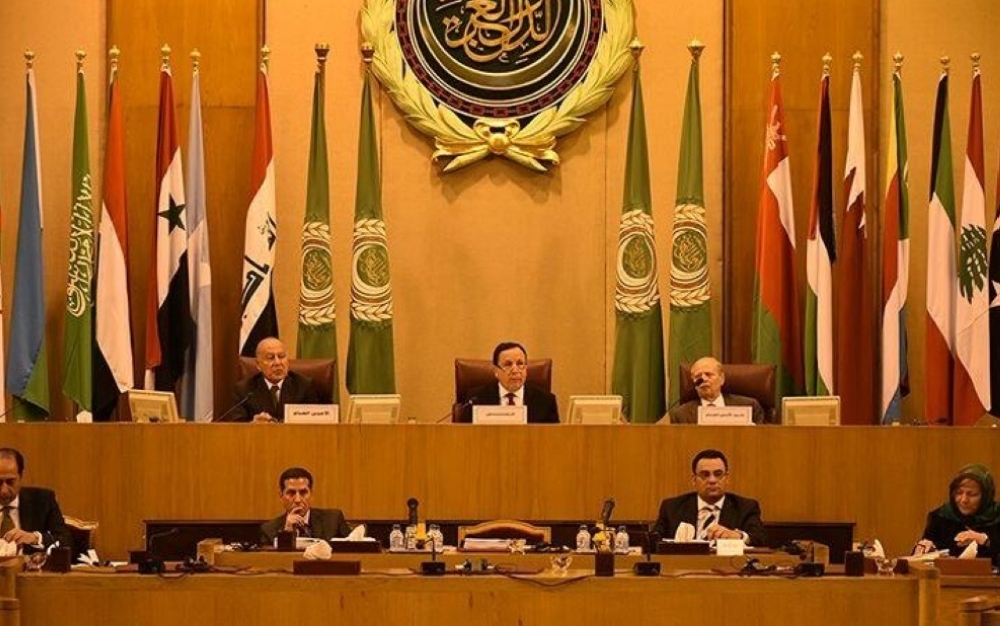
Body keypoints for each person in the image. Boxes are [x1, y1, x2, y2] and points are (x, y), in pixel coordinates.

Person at [651, 449, 766, 546]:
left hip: (727, 564)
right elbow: (654, 541)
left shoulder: (745, 507)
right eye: (705, 475)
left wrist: (739, 536)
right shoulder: (672, 507)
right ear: (694, 480)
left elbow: (761, 539)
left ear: (727, 478)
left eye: (718, 474)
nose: (712, 480)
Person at [913, 463, 1000, 561]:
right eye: (959, 493)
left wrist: (985, 540)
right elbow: (918, 557)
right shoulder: (941, 516)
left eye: (972, 494)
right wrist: (923, 548)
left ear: (986, 496)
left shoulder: (996, 516)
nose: (964, 500)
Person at [220, 337, 320, 423]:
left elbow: (315, 423)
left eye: (281, 356)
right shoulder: (244, 390)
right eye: (270, 358)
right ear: (258, 365)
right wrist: (252, 425)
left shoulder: (304, 386)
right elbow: (237, 426)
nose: (277, 363)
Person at [459, 341, 559, 424]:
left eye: (520, 364)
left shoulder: (546, 401)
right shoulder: (476, 399)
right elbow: (463, 435)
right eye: (508, 364)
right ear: (496, 371)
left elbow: (554, 437)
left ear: (526, 369)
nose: (515, 370)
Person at [0, 448, 73, 552]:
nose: (4, 490)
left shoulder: (42, 501)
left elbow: (66, 542)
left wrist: (35, 538)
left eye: (10, 482)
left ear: (20, 476)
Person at [260, 467, 352, 545]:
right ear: (281, 496)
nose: (298, 500)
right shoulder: (269, 530)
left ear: (311, 494)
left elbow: (352, 551)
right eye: (291, 493)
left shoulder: (333, 519)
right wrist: (287, 532)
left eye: (303, 492)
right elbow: (274, 559)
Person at [665, 357, 764, 424]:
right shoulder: (680, 415)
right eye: (698, 377)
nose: (703, 379)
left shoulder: (749, 406)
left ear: (722, 379)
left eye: (708, 374)